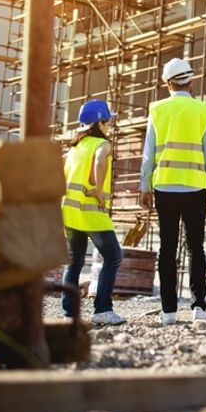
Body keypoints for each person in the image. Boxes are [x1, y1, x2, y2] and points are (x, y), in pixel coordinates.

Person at [140, 57, 206, 324]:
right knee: (195, 247)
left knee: (167, 248)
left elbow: (148, 152)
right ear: (191, 80)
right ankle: (199, 307)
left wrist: (144, 185)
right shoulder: (203, 110)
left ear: (167, 83)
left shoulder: (157, 110)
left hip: (164, 185)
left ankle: (168, 312)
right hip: (196, 186)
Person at [62, 99, 126, 326]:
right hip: (91, 212)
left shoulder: (75, 147)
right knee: (114, 257)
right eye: (108, 121)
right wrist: (98, 191)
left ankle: (69, 315)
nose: (109, 125)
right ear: (100, 121)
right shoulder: (103, 145)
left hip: (69, 213)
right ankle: (102, 310)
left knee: (74, 263)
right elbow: (100, 162)